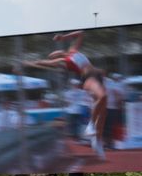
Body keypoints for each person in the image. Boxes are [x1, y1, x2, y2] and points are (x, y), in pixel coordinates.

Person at [24, 30, 107, 159]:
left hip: (97, 76)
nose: (53, 55)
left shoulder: (73, 49)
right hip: (88, 78)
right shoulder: (65, 60)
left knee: (102, 111)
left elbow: (81, 33)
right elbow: (45, 62)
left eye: (53, 54)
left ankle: (97, 140)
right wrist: (30, 63)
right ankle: (90, 127)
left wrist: (63, 37)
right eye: (52, 56)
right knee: (103, 97)